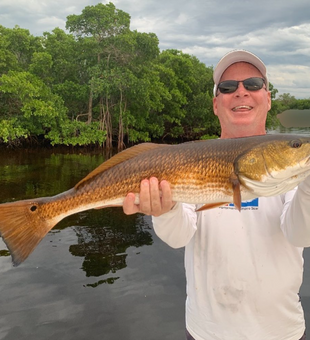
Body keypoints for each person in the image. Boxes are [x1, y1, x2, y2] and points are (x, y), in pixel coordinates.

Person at [123, 50, 310, 340]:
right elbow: (178, 237)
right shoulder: (191, 160)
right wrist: (166, 210)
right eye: (227, 87)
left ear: (268, 97)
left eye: (253, 84)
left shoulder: (294, 170)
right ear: (215, 104)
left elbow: (301, 235)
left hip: (283, 332)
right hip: (206, 333)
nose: (241, 92)